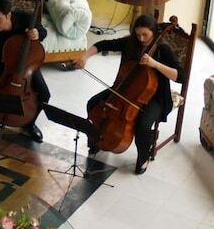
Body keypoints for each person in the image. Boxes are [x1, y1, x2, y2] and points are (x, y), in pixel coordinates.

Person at [74, 13, 181, 174]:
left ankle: (143, 156)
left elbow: (180, 76)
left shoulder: (163, 49)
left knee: (143, 125)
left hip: (155, 97)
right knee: (93, 103)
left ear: (154, 32)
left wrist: (155, 64)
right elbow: (102, 44)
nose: (141, 39)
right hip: (123, 89)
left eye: (145, 35)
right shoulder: (131, 43)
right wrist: (84, 57)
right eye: (138, 35)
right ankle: (97, 138)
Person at [0, 0, 49, 142]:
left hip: (26, 66)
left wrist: (37, 34)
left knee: (44, 94)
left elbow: (43, 32)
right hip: (0, 64)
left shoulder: (25, 19)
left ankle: (29, 123)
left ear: (8, 15)